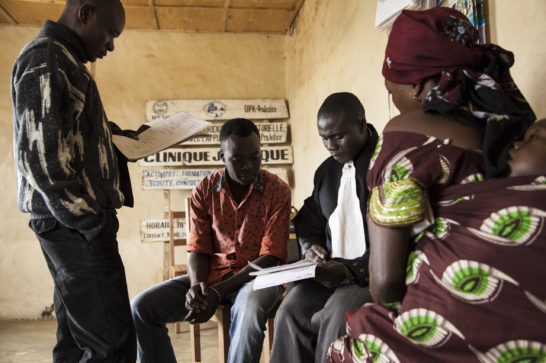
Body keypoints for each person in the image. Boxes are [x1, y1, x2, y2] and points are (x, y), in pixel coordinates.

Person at [327, 8, 543, 362]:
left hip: (453, 324)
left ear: (414, 85)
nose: (392, 101)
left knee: (348, 344)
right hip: (524, 321)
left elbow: (385, 284)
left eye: (389, 89)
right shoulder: (517, 133)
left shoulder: (404, 136)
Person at [11, 0, 136, 362]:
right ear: (85, 12)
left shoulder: (63, 61)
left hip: (70, 225)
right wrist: (90, 223)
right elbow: (43, 160)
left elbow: (69, 137)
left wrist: (119, 138)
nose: (111, 45)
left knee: (77, 341)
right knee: (110, 344)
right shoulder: (49, 59)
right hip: (74, 226)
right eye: (110, 33)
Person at [131, 118, 292, 363]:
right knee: (142, 308)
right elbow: (198, 248)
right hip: (213, 276)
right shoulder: (204, 190)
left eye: (256, 156)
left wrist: (217, 292)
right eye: (238, 159)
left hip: (259, 279)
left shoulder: (277, 190)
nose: (248, 165)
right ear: (222, 156)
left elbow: (269, 257)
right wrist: (197, 287)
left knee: (249, 307)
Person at [270, 92, 377, 363]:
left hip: (372, 275)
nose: (330, 145)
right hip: (331, 272)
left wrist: (350, 270)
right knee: (290, 309)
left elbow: (400, 239)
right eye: (324, 138)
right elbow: (308, 220)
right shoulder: (326, 173)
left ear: (362, 125)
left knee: (338, 312)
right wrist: (311, 249)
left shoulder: (386, 164)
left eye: (339, 136)